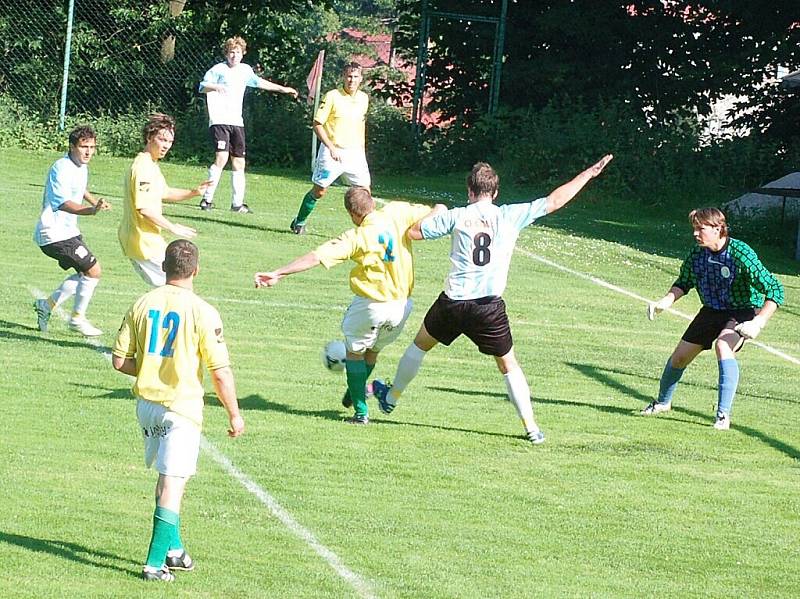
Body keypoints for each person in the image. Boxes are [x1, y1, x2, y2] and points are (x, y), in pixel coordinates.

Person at [372, 155, 614, 444]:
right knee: (508, 364)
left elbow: (413, 233)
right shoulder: (509, 215)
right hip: (488, 307)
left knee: (420, 345)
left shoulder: (457, 216)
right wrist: (587, 174)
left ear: (469, 191)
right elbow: (554, 201)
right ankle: (531, 428)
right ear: (495, 193)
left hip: (453, 303)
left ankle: (392, 397)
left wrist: (435, 212)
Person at [112, 239, 244, 582]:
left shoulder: (142, 302)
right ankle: (154, 565)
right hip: (180, 408)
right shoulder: (203, 311)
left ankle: (174, 550)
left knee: (168, 478)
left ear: (163, 267)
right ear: (196, 270)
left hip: (147, 407)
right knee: (174, 483)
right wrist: (234, 413)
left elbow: (119, 360)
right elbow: (220, 371)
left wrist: (148, 369)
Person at [256, 187, 443, 424]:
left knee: (354, 354)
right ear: (372, 203)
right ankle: (354, 394)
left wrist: (278, 273)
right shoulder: (397, 211)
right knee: (372, 351)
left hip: (371, 304)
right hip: (401, 306)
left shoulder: (356, 237)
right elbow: (438, 210)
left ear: (352, 214)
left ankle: (361, 412)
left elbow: (315, 257)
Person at [642, 207, 784, 430]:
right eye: (694, 229)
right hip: (711, 310)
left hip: (742, 310)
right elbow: (684, 282)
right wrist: (665, 302)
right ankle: (662, 402)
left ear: (718, 229)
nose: (696, 234)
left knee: (723, 346)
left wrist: (758, 322)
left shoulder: (741, 253)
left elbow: (775, 289)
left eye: (701, 229)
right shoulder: (697, 254)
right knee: (679, 358)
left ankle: (722, 416)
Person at [198, 36, 298, 214]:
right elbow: (202, 86)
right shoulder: (218, 69)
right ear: (226, 54)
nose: (233, 56)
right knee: (221, 158)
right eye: (230, 52)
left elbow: (260, 83)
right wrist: (215, 87)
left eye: (237, 52)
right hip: (220, 120)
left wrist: (283, 89)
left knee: (239, 162)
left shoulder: (245, 71)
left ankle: (237, 204)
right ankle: (207, 199)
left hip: (237, 122)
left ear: (243, 54)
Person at [33, 125, 111, 337]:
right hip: (53, 233)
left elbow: (80, 188)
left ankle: (46, 306)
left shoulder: (81, 167)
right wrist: (91, 210)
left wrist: (96, 202)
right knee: (94, 271)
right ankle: (77, 319)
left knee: (85, 273)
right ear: (72, 147)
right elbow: (63, 203)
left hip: (67, 232)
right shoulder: (61, 168)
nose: (88, 152)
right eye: (84, 147)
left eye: (92, 147)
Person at [118, 113, 210, 287]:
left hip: (149, 240)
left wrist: (194, 192)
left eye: (170, 142)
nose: (166, 146)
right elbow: (144, 209)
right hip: (142, 242)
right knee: (179, 286)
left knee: (173, 288)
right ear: (149, 137)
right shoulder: (142, 167)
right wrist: (173, 228)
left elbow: (165, 192)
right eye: (162, 140)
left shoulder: (151, 164)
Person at [289, 62, 370, 234]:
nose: (352, 80)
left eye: (355, 77)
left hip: (355, 153)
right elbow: (317, 124)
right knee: (319, 191)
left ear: (361, 79)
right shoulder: (332, 96)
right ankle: (299, 222)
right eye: (349, 76)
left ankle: (367, 232)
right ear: (343, 77)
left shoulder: (364, 98)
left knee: (365, 193)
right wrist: (331, 147)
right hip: (332, 151)